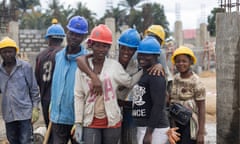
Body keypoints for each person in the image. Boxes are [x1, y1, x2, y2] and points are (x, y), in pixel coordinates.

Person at [74, 24, 141, 144]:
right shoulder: (83, 69)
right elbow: (78, 96)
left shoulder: (114, 66)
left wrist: (144, 71)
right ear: (91, 45)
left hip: (112, 120)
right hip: (90, 120)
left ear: (109, 47)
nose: (101, 49)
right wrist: (78, 122)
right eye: (97, 45)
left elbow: (129, 82)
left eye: (105, 46)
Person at [49, 15, 88, 144]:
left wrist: (80, 121)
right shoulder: (58, 56)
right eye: (72, 33)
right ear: (67, 33)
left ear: (83, 37)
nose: (74, 37)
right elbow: (56, 85)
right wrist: (53, 106)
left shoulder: (87, 59)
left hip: (77, 119)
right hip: (58, 118)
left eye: (78, 35)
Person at [0, 37, 40, 144]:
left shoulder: (25, 67)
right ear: (0, 53)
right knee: (12, 140)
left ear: (15, 52)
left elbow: (34, 89)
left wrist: (35, 108)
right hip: (8, 114)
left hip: (25, 113)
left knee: (26, 140)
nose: (7, 54)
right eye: (4, 52)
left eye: (10, 51)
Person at [132, 36, 170, 144]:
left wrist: (149, 133)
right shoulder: (145, 72)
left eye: (147, 54)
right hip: (145, 127)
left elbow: (158, 106)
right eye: (140, 54)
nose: (142, 57)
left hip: (155, 129)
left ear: (156, 56)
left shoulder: (156, 75)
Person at [35, 18, 65, 143]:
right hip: (61, 100)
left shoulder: (40, 56)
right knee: (62, 133)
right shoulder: (63, 54)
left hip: (45, 99)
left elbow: (36, 78)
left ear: (48, 39)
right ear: (62, 39)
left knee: (50, 131)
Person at [170, 46, 206, 144]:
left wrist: (201, 133)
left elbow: (202, 109)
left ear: (191, 62)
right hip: (176, 123)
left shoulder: (196, 82)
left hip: (190, 125)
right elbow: (172, 100)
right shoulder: (175, 79)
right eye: (178, 61)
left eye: (184, 61)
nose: (181, 64)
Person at [145, 24, 173, 103]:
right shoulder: (143, 50)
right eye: (149, 36)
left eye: (153, 37)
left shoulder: (160, 53)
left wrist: (165, 92)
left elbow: (165, 75)